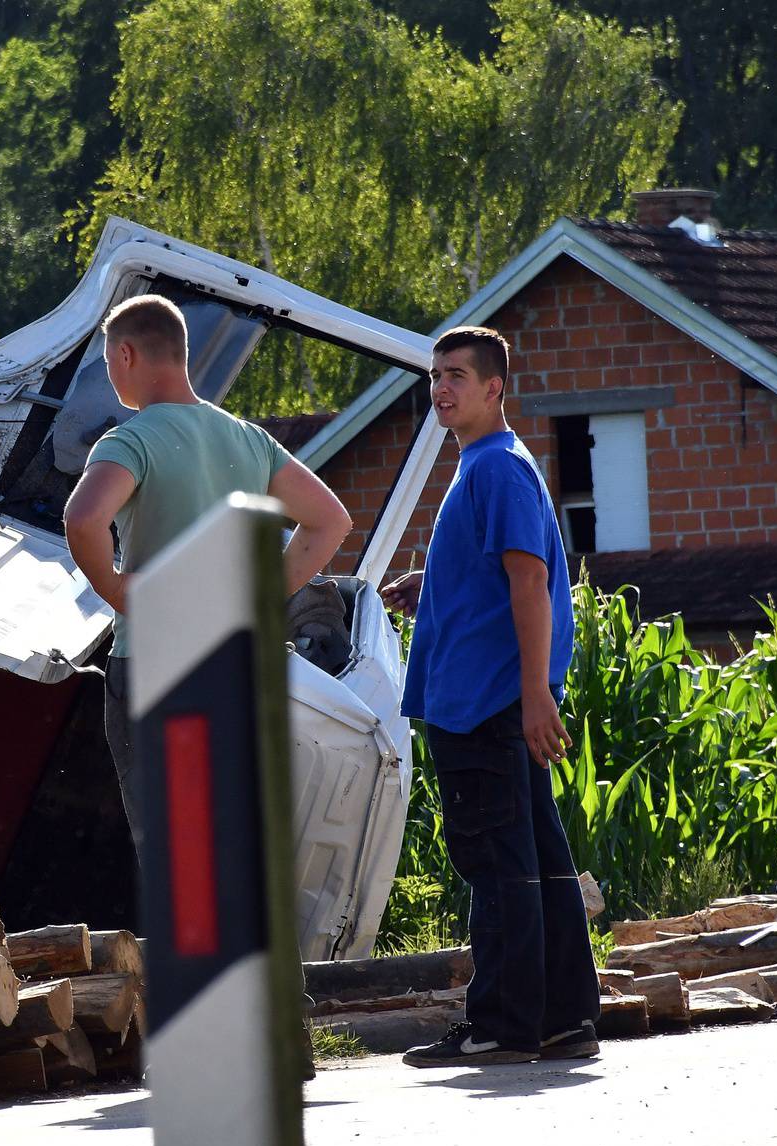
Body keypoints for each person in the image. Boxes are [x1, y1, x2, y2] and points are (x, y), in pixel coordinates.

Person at [63, 294, 354, 871]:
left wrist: (117, 588)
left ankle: (189, 960)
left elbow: (82, 518)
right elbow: (331, 520)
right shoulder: (250, 440)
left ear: (125, 355)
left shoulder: (132, 440)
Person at [379, 325, 599, 1067]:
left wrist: (536, 695)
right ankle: (566, 1017)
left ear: (495, 388)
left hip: (485, 704)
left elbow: (531, 580)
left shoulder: (496, 469)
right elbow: (496, 574)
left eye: (457, 377)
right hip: (490, 698)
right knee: (538, 857)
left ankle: (503, 1026)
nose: (441, 388)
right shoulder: (487, 464)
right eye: (436, 376)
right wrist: (430, 587)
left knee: (497, 863)